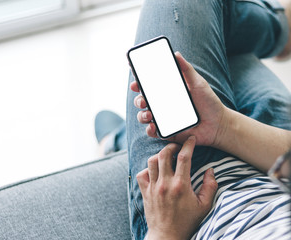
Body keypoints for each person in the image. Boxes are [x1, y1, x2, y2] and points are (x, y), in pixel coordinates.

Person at [95, 0, 291, 239]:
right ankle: (280, 28)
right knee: (227, 47)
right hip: (277, 167)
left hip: (190, 206)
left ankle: (280, 26)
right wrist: (223, 126)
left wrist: (164, 231)